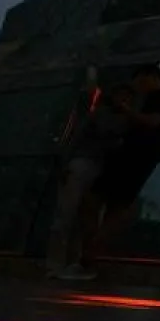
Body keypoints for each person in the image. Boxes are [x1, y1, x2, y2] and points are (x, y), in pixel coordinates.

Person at [79, 64, 160, 277]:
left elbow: (154, 121)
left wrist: (127, 111)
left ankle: (91, 250)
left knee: (109, 201)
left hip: (138, 156)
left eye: (140, 82)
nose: (138, 88)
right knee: (108, 201)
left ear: (149, 77)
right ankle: (92, 249)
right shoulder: (158, 98)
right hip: (131, 154)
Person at [47, 83, 133, 280]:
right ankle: (59, 263)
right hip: (86, 164)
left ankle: (66, 263)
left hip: (95, 167)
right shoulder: (104, 116)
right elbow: (93, 135)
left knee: (80, 216)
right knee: (69, 214)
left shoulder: (104, 116)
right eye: (122, 97)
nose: (124, 102)